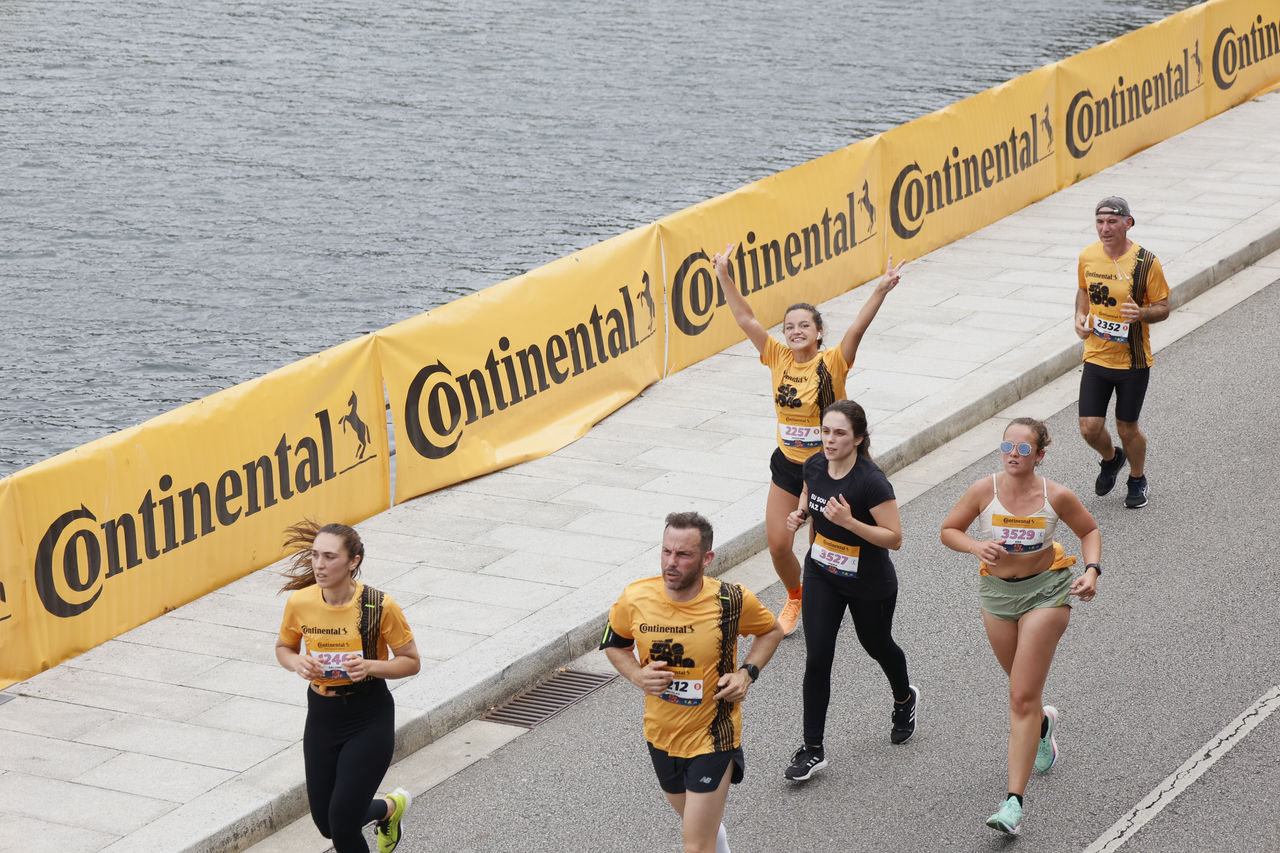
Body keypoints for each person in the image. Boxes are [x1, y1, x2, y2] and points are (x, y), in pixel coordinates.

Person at [712, 244, 906, 635]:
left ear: (818, 332)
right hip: (787, 465)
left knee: (820, 549)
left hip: (828, 469)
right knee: (780, 545)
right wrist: (722, 275)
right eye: (789, 327)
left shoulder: (832, 362)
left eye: (804, 325)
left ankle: (829, 598)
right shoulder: (776, 356)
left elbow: (857, 329)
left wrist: (881, 289)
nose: (796, 331)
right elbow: (745, 318)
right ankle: (795, 596)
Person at [940, 418, 1101, 835]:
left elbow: (1089, 529)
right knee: (1019, 686)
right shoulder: (983, 490)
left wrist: (1092, 570)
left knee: (1021, 695)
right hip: (996, 595)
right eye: (1007, 446)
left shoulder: (1056, 496)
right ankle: (1043, 725)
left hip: (1047, 591)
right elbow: (948, 530)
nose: (1014, 454)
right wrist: (977, 545)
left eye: (1024, 449)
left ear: (1040, 455)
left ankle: (1013, 802)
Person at [601, 511, 784, 853]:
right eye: (666, 552)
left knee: (696, 844)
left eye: (683, 555)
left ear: (706, 558)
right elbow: (614, 643)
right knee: (701, 830)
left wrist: (748, 673)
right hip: (660, 734)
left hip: (713, 736)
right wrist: (637, 675)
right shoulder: (636, 598)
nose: (671, 563)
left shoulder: (730, 600)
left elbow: (771, 630)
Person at [781, 400, 917, 782]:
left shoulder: (871, 481)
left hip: (869, 582)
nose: (829, 439)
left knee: (876, 644)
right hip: (823, 572)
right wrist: (802, 513)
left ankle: (904, 698)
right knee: (817, 657)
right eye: (825, 431)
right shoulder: (814, 464)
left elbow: (894, 538)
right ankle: (812, 749)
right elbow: (810, 492)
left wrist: (850, 522)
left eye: (839, 433)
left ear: (858, 438)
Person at [275, 520, 422, 853]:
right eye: (315, 556)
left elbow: (411, 661)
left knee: (342, 825)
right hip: (322, 715)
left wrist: (371, 666)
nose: (319, 564)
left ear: (353, 561)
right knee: (327, 824)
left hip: (368, 714)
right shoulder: (300, 603)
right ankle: (389, 809)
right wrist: (297, 662)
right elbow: (283, 648)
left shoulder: (378, 606)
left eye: (329, 557)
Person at [1074, 196, 1170, 508]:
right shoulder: (1088, 256)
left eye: (1112, 221)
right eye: (1100, 222)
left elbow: (1163, 307)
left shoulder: (1145, 262)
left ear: (1128, 223)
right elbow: (1084, 291)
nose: (1105, 228)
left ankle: (1137, 478)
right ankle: (1112, 459)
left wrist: (1141, 314)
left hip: (1133, 362)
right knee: (1089, 428)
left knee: (1127, 428)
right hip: (1097, 356)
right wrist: (1079, 317)